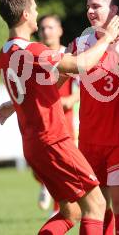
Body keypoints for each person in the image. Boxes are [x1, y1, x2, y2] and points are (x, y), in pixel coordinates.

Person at [0, 0, 119, 234]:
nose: (36, 13)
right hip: (54, 141)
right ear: (24, 14)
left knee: (71, 212)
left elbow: (38, 87)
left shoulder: (4, 53)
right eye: (34, 8)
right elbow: (80, 64)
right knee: (96, 205)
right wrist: (107, 37)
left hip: (34, 145)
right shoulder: (32, 51)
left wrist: (13, 104)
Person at [67, 0, 119, 235]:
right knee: (93, 209)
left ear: (114, 10)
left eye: (96, 6)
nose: (90, 11)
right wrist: (16, 104)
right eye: (88, 6)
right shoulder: (80, 44)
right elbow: (53, 82)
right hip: (89, 141)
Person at [37, 14, 80, 212]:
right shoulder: (35, 56)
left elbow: (81, 83)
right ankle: (44, 184)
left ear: (60, 30)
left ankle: (58, 211)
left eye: (50, 27)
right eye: (43, 28)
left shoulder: (68, 56)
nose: (46, 31)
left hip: (64, 119)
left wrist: (72, 99)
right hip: (39, 119)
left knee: (62, 166)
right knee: (38, 165)